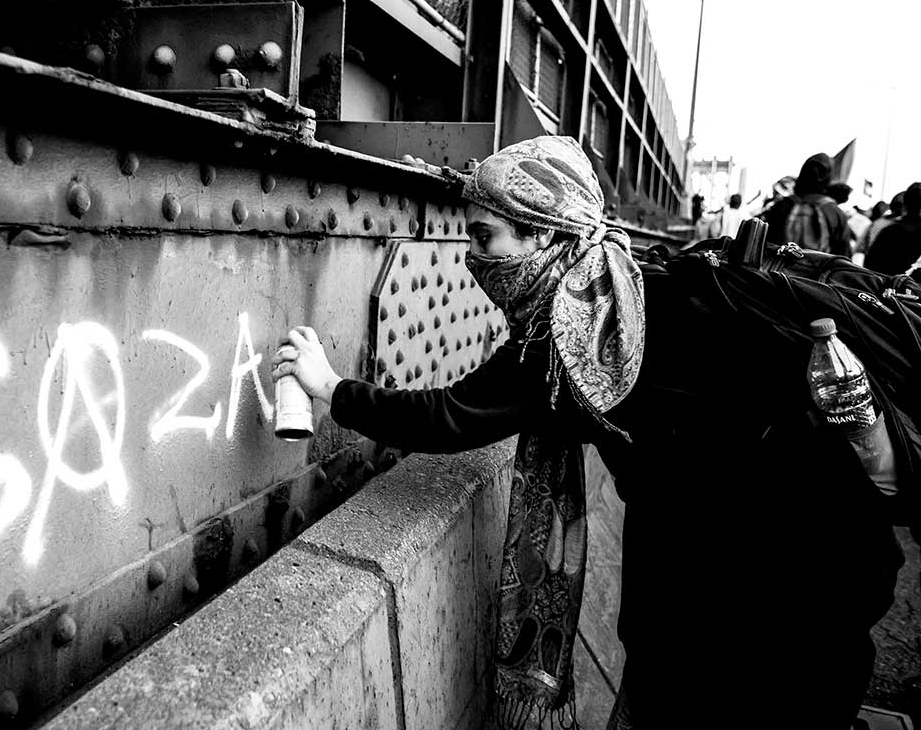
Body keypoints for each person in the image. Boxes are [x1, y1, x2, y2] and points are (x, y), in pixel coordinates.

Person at [273, 136, 901, 730]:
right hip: (833, 565)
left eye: (485, 236)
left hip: (755, 595)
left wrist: (331, 388)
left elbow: (450, 415)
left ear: (543, 232)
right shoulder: (647, 279)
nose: (473, 258)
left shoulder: (568, 332)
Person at [776, 153, 854, 256]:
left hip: (779, 269)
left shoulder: (781, 206)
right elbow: (843, 257)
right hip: (819, 270)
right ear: (829, 178)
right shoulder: (835, 213)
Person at [865, 183, 921, 275]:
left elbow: (871, 265)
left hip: (884, 283)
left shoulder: (889, 230)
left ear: (905, 204)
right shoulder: (889, 229)